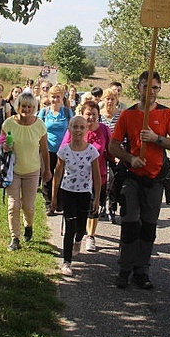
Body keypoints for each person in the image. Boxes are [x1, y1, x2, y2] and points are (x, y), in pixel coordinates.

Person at [107, 71, 170, 290]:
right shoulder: (128, 115)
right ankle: (124, 269)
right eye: (146, 86)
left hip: (155, 180)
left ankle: (142, 271)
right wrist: (130, 158)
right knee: (130, 223)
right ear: (138, 88)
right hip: (132, 177)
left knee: (148, 227)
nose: (150, 92)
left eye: (155, 88)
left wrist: (156, 139)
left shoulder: (166, 114)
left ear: (159, 90)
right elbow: (113, 146)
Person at [51, 116, 101, 276]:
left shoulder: (91, 151)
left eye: (81, 127)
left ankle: (79, 240)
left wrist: (97, 197)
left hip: (84, 193)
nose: (78, 130)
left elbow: (97, 176)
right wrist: (54, 197)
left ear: (87, 129)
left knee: (80, 228)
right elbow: (57, 174)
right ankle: (66, 262)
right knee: (70, 227)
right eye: (75, 127)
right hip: (68, 192)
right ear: (70, 129)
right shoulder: (64, 150)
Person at [1, 93, 51, 251]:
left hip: (32, 171)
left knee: (28, 206)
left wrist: (47, 170)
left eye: (30, 106)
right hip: (13, 171)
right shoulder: (8, 123)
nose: (26, 109)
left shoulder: (40, 125)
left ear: (34, 108)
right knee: (13, 205)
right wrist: (4, 147)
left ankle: (28, 225)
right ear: (18, 106)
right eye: (24, 106)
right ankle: (14, 237)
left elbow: (44, 150)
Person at [61, 101, 110, 252]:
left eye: (94, 114)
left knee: (94, 208)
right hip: (76, 179)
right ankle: (77, 235)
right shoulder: (75, 128)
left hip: (98, 175)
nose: (91, 117)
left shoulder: (104, 129)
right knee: (78, 214)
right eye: (88, 114)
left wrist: (116, 159)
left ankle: (90, 236)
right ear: (82, 114)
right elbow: (63, 148)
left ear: (98, 115)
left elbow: (110, 149)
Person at [38, 85, 73, 215]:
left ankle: (59, 203)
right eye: (53, 97)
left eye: (58, 97)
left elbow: (72, 131)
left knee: (62, 176)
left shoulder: (67, 113)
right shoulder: (44, 112)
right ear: (49, 97)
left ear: (62, 97)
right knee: (47, 175)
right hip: (47, 149)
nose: (55, 99)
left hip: (63, 151)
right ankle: (48, 204)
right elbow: (38, 129)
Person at [99, 87, 123, 223]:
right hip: (101, 152)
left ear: (116, 100)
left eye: (112, 99)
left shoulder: (120, 116)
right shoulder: (100, 116)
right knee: (102, 180)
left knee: (114, 180)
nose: (110, 102)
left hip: (116, 152)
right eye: (107, 99)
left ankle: (112, 208)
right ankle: (101, 205)